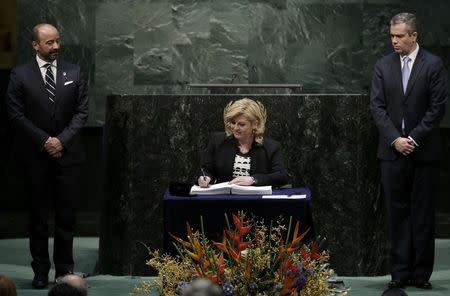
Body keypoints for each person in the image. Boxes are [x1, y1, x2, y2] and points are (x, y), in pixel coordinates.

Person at [6, 23, 89, 289]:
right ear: (35, 45)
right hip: (35, 158)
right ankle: (40, 270)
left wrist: (61, 141)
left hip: (68, 157)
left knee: (66, 218)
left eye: (57, 41)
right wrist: (44, 141)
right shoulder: (19, 75)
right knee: (38, 218)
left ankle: (64, 272)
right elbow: (16, 115)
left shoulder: (74, 72)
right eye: (49, 43)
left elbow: (81, 112)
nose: (56, 47)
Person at [370, 13, 447, 290]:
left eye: (400, 36)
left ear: (414, 36)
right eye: (392, 36)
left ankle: (420, 275)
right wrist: (395, 139)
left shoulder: (434, 65)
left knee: (423, 215)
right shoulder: (383, 65)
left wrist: (412, 138)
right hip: (391, 154)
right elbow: (376, 108)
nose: (394, 41)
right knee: (397, 215)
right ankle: (400, 274)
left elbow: (437, 108)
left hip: (424, 153)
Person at [198, 98, 289, 188]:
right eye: (233, 123)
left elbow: (282, 176)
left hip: (256, 200)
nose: (235, 128)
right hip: (224, 199)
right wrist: (205, 177)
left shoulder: (271, 147)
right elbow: (206, 169)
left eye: (241, 124)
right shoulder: (217, 141)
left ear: (255, 124)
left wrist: (253, 179)